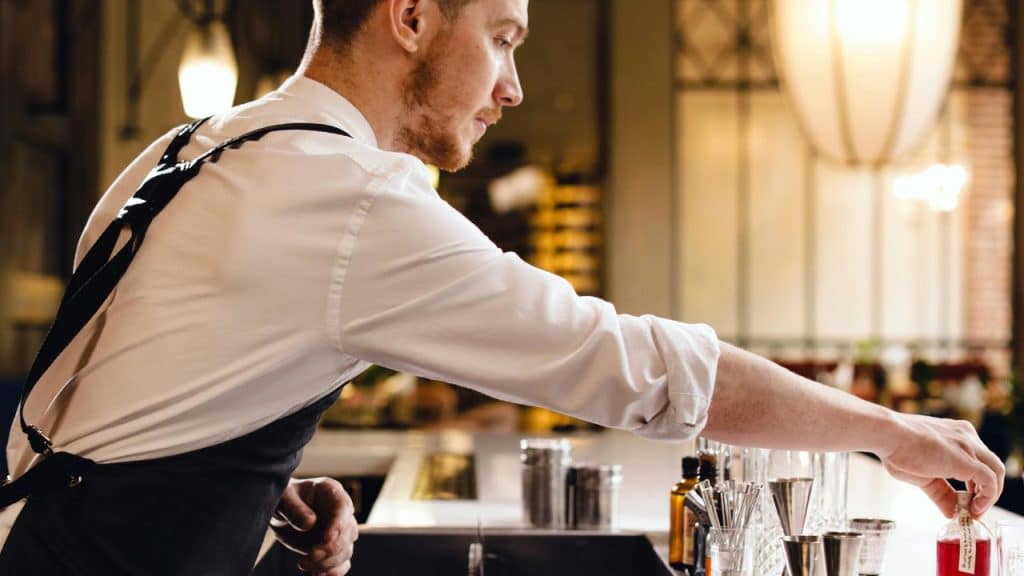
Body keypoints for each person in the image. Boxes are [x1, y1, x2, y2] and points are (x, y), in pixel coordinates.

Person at [0, 0, 1005, 574]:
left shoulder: (194, 145)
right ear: (412, 16)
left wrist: (250, 493)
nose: (514, 86)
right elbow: (637, 370)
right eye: (504, 36)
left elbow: (94, 406)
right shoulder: (355, 197)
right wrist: (895, 432)